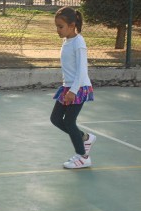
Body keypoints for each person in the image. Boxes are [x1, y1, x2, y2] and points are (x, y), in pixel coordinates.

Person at [50, 6, 96, 169]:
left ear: (72, 25)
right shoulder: (67, 41)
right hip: (67, 87)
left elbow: (82, 70)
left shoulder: (79, 42)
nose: (58, 30)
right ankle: (84, 138)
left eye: (60, 26)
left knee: (69, 121)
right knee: (55, 119)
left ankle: (83, 156)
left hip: (79, 87)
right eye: (56, 26)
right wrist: (67, 89)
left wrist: (73, 91)